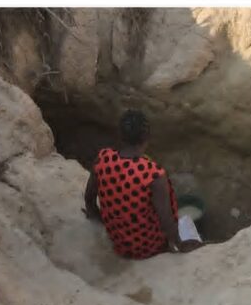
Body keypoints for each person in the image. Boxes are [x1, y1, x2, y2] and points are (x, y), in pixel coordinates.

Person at [82, 109, 202, 259]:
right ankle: (165, 248)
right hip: (147, 247)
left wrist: (97, 218)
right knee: (185, 225)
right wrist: (181, 244)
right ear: (146, 137)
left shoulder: (103, 159)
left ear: (120, 136)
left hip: (118, 239)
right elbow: (166, 222)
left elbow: (89, 198)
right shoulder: (153, 175)